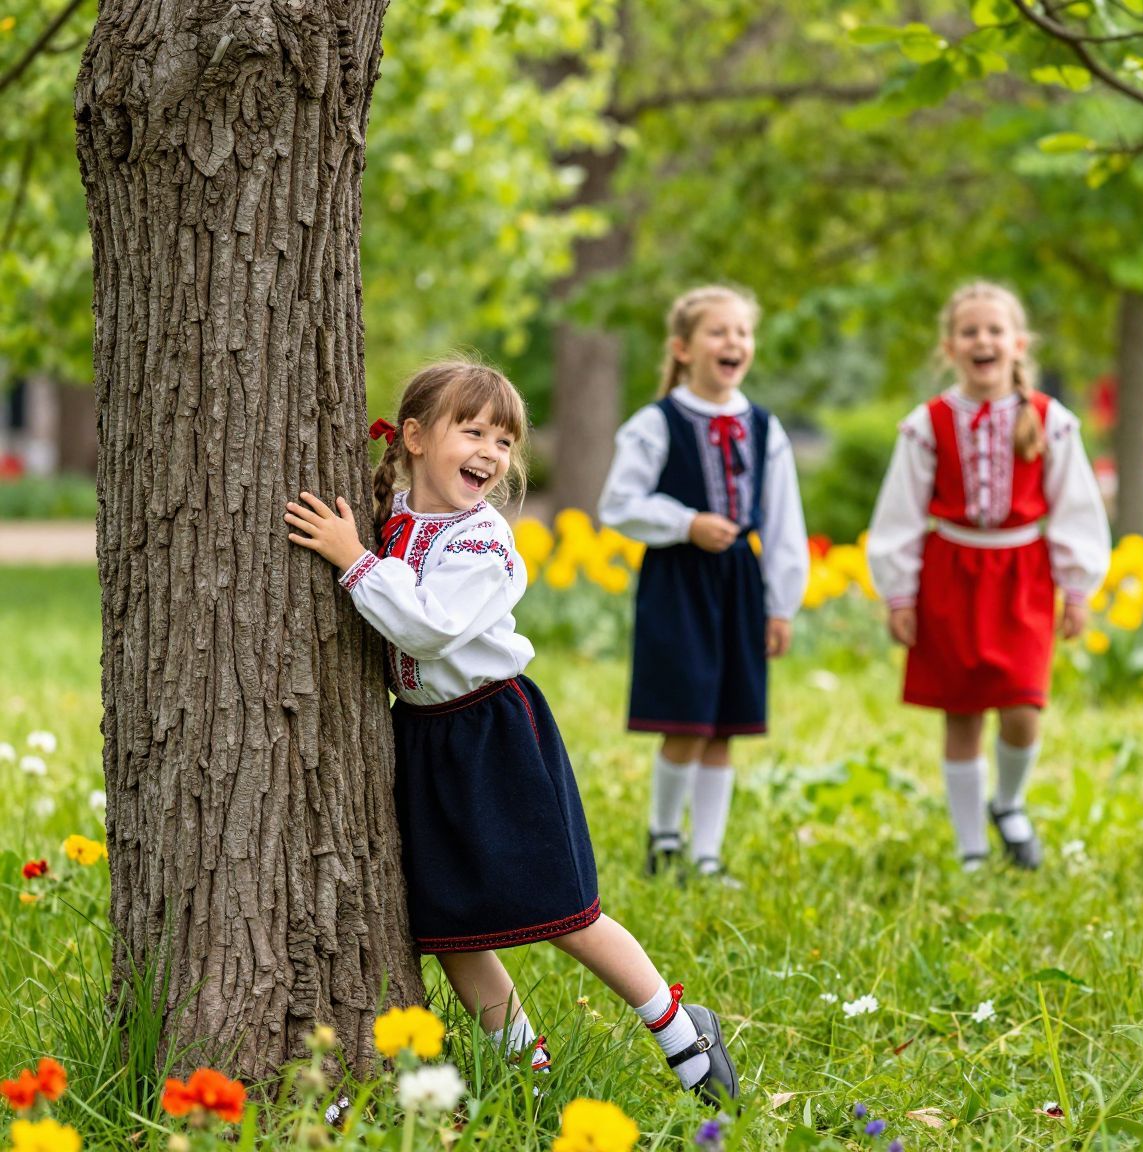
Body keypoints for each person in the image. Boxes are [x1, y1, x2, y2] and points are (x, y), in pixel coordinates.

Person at [285, 359, 737, 1105]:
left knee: (561, 909)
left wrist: (352, 560)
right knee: (448, 925)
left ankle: (680, 1025)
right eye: (474, 431)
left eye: (505, 440)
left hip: (493, 732)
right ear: (417, 437)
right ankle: (526, 1070)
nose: (492, 453)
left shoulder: (482, 540)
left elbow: (430, 630)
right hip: (423, 738)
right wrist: (363, 542)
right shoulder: (395, 513)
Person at [866, 282, 1111, 870]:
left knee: (1024, 706)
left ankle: (1010, 802)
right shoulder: (927, 424)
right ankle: (971, 847)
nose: (984, 341)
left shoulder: (1051, 421)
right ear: (950, 347)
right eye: (970, 332)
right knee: (963, 711)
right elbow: (899, 511)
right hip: (950, 572)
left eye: (995, 331)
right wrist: (899, 593)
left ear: (1018, 343)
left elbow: (1076, 505)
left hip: (1022, 572)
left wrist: (1076, 586)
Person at [599, 285, 808, 882]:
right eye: (719, 332)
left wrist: (781, 603)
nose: (733, 343)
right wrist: (685, 523)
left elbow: (786, 517)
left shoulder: (765, 428)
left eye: (742, 333)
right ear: (683, 348)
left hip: (740, 580)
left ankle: (708, 855)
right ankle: (664, 841)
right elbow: (618, 504)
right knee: (687, 718)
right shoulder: (657, 422)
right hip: (679, 581)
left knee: (726, 724)